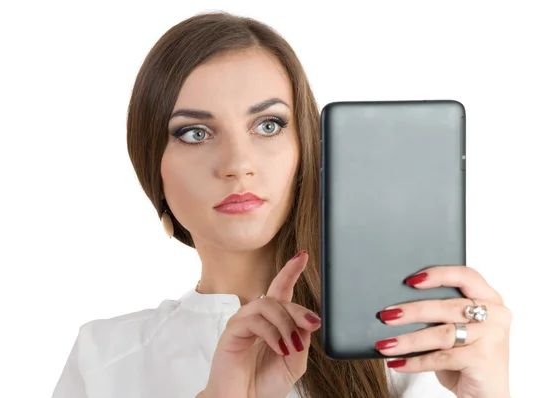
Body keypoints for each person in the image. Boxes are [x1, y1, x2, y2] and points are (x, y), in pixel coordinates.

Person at [51, 11, 511, 398]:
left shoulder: (412, 351)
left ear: (306, 147)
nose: (238, 164)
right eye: (195, 133)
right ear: (153, 166)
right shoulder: (104, 360)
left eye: (268, 125)